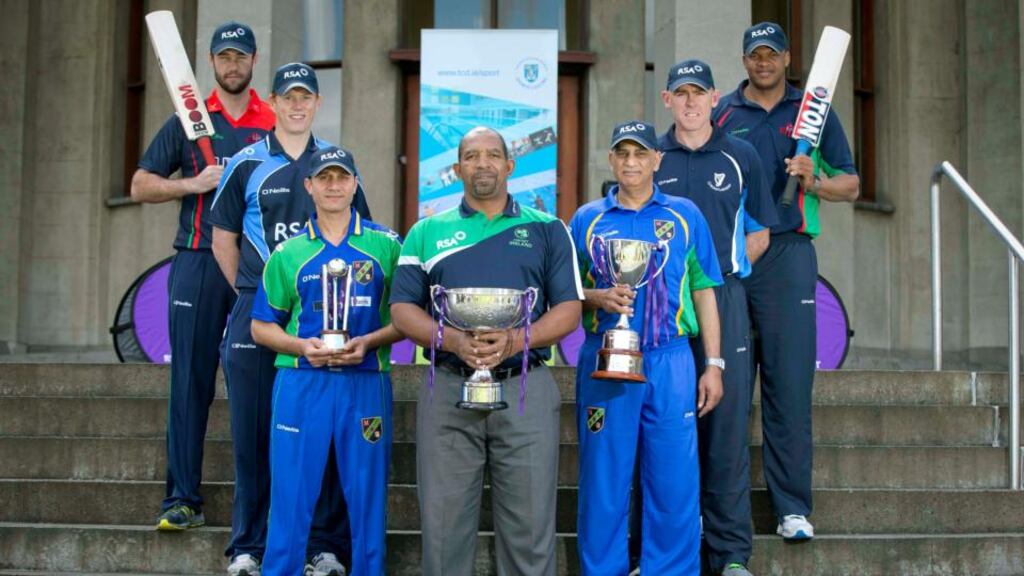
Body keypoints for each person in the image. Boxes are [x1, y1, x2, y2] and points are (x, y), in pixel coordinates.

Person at [389, 126, 583, 576]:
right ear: (457, 168)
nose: (483, 164)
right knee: (442, 532)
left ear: (510, 166)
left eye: (493, 155)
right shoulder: (426, 231)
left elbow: (569, 309)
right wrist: (452, 339)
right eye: (471, 156)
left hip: (525, 388)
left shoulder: (548, 228)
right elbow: (402, 309)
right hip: (448, 387)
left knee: (531, 531)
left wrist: (516, 338)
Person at [209, 62, 370, 576]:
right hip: (260, 314)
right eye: (288, 96)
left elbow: (360, 234)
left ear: (317, 103)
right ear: (272, 103)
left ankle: (321, 546)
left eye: (306, 96)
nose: (297, 104)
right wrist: (254, 294)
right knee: (254, 432)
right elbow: (223, 238)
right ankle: (248, 546)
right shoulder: (246, 164)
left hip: (326, 321)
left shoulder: (336, 167)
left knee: (321, 436)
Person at [714, 22, 860, 543]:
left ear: (786, 57)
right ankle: (719, 510)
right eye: (755, 54)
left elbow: (851, 182)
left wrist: (813, 179)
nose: (763, 62)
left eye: (771, 54)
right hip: (735, 259)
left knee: (789, 388)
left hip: (791, 253)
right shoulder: (723, 113)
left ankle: (792, 508)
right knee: (726, 388)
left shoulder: (812, 114)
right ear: (745, 59)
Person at [130, 20, 275, 533]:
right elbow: (141, 184)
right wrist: (195, 182)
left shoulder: (273, 122)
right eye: (224, 57)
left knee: (257, 384)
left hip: (255, 268)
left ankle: (260, 505)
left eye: (241, 56)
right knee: (190, 381)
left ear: (254, 61)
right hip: (194, 260)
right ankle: (182, 498)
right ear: (212, 63)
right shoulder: (188, 121)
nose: (233, 65)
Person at [570, 120, 724, 575]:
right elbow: (566, 291)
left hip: (670, 358)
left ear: (658, 159)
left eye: (641, 154)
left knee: (674, 481)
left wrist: (713, 363)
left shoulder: (685, 215)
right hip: (606, 357)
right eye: (623, 153)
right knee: (604, 479)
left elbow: (704, 290)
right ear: (612, 160)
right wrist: (597, 297)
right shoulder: (587, 219)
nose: (632, 162)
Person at [252, 146, 402, 576]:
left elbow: (406, 318)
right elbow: (261, 327)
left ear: (355, 184)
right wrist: (302, 347)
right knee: (291, 498)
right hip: (302, 384)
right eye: (324, 178)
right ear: (309, 186)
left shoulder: (386, 246)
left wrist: (369, 341)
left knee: (368, 498)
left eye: (342, 177)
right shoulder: (288, 253)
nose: (333, 185)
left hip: (365, 380)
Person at [656, 60, 778, 576]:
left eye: (698, 93)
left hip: (723, 301)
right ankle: (665, 550)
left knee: (726, 431)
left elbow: (760, 231)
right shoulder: (649, 156)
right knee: (663, 429)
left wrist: (718, 273)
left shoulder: (741, 154)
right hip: (660, 307)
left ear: (714, 98)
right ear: (667, 101)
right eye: (680, 94)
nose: (689, 103)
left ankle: (730, 555)